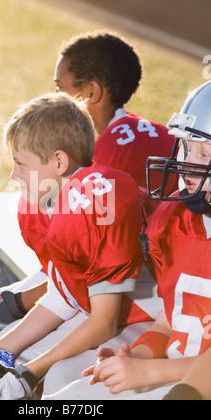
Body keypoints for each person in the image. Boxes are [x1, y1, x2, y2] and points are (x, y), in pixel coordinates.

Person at [0, 30, 174, 348]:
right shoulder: (135, 132)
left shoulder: (101, 165)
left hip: (129, 293)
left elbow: (87, 269)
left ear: (91, 92)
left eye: (61, 88)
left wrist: (19, 300)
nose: (57, 95)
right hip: (100, 278)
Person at [0, 91, 157, 400]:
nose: (14, 175)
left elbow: (104, 322)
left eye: (21, 164)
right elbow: (65, 294)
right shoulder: (51, 202)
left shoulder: (97, 203)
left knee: (54, 380)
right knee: (11, 362)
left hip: (155, 314)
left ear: (59, 161)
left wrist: (30, 371)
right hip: (110, 310)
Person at [45, 81, 211, 400]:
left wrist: (150, 372)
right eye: (187, 147)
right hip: (173, 367)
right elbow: (170, 321)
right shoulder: (175, 217)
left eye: (203, 152)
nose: (187, 163)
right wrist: (137, 357)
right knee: (60, 379)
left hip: (191, 386)